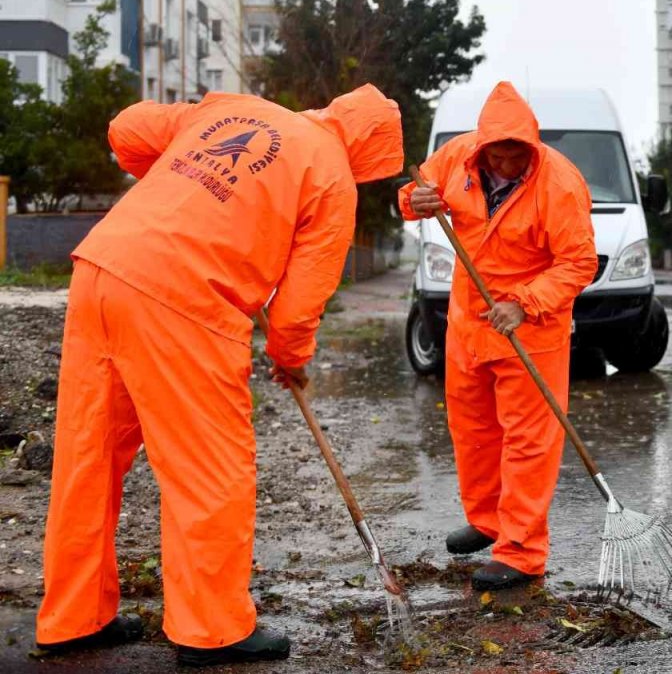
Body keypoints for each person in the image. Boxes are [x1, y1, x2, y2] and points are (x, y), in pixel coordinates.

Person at [36, 85, 403, 667]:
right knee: (211, 470)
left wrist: (180, 172)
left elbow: (128, 128)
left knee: (89, 456)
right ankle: (211, 629)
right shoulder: (332, 175)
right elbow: (298, 307)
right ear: (369, 152)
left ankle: (73, 618)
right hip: (185, 301)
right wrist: (290, 357)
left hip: (102, 271)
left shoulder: (233, 109)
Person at [401, 81, 596, 590]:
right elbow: (414, 194)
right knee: (473, 432)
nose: (507, 164)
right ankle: (487, 521)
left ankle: (522, 551)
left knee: (528, 443)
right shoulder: (458, 157)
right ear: (482, 145)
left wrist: (524, 303)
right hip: (469, 322)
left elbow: (579, 263)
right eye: (498, 154)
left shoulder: (560, 184)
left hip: (531, 330)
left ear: (532, 148)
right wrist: (415, 200)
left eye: (517, 155)